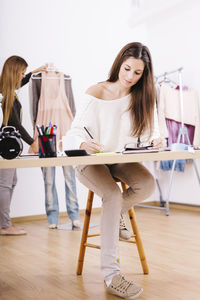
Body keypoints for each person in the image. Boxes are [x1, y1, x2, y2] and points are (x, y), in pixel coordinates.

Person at [66, 42, 165, 299]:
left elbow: (155, 128)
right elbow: (72, 134)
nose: (130, 77)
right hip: (90, 160)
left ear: (145, 74)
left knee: (148, 184)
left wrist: (157, 138)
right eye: (127, 69)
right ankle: (112, 275)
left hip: (117, 158)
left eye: (137, 73)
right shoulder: (96, 91)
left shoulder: (143, 95)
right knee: (111, 195)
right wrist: (82, 144)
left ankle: (115, 212)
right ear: (119, 64)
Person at [0, 55, 47, 236]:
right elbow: (14, 123)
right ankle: (5, 225)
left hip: (8, 145)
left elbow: (20, 83)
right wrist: (32, 142)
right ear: (14, 73)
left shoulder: (7, 89)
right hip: (5, 146)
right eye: (21, 73)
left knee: (11, 181)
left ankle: (4, 223)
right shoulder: (6, 96)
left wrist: (34, 72)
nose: (22, 76)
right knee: (5, 183)